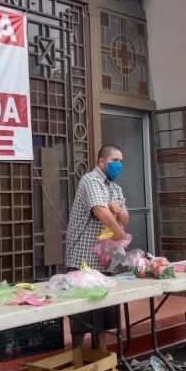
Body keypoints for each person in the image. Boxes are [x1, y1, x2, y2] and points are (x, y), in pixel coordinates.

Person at [65, 144, 129, 350]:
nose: (119, 165)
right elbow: (100, 210)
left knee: (103, 319)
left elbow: (125, 219)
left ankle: (102, 362)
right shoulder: (90, 180)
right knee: (81, 319)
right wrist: (119, 233)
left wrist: (119, 212)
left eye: (121, 161)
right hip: (82, 259)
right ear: (102, 162)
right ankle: (77, 360)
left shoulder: (116, 188)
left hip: (105, 260)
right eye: (115, 161)